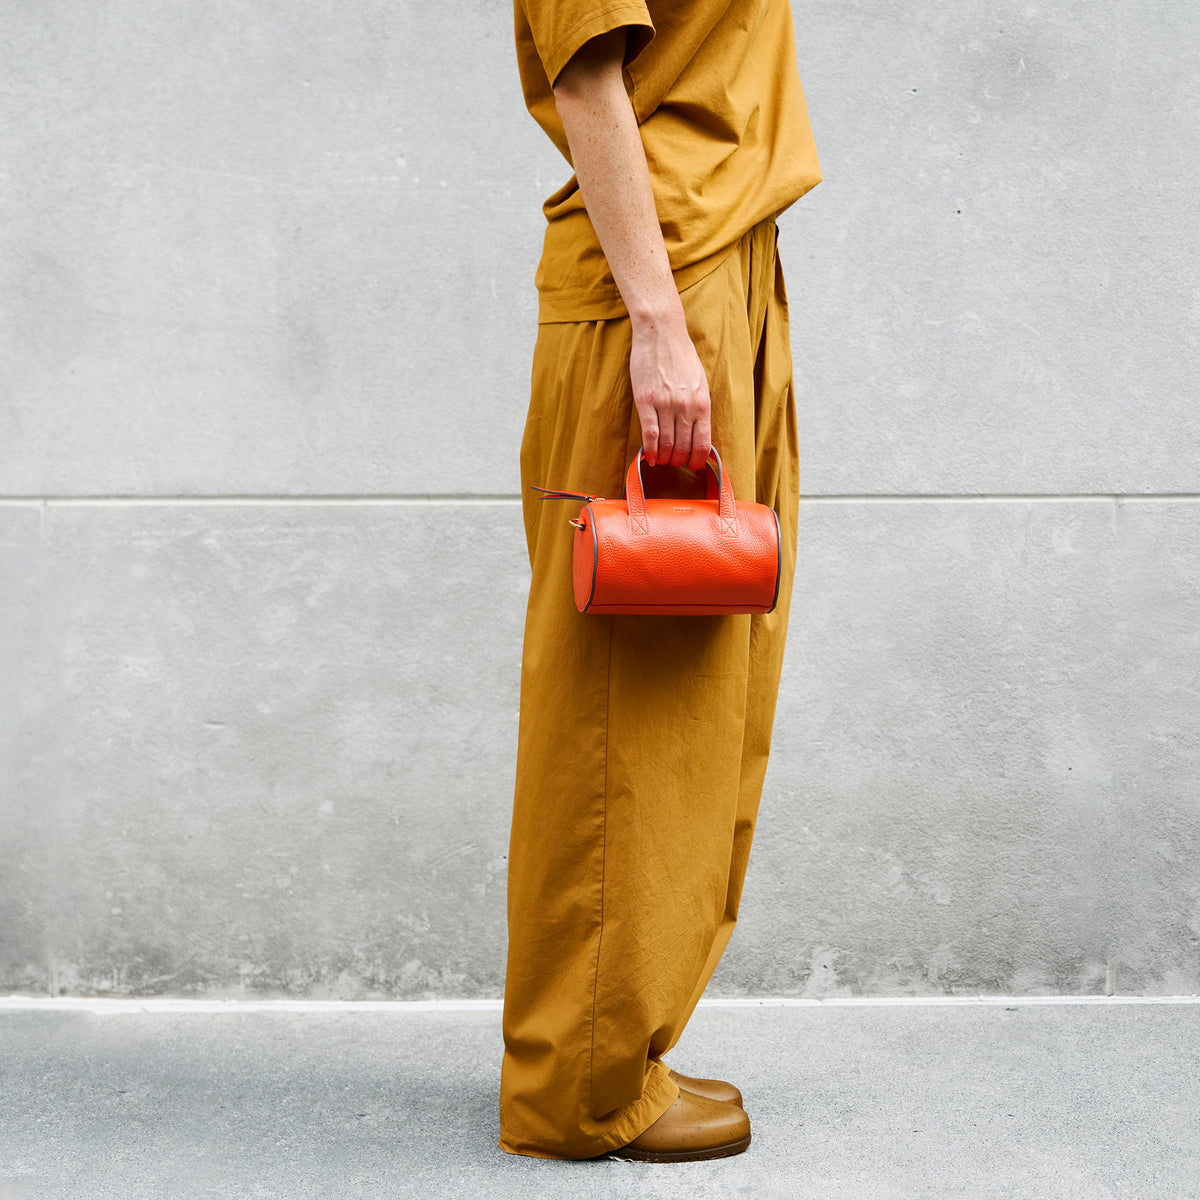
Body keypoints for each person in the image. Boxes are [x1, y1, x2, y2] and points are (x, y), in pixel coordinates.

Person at [498, 0, 823, 1163]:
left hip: (719, 258)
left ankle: (615, 1043)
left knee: (695, 704)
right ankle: (576, 1088)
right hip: (664, 281)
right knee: (620, 714)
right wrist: (659, 322)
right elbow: (588, 79)